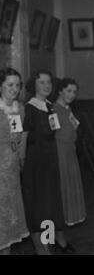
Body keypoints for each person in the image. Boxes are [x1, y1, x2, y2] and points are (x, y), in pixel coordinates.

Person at [22, 70, 74, 255]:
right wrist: (22, 162)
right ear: (33, 85)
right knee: (39, 205)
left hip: (51, 159)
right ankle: (41, 248)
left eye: (48, 82)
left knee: (51, 205)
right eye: (41, 82)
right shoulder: (29, 107)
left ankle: (49, 244)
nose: (46, 85)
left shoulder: (50, 106)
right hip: (36, 161)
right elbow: (24, 137)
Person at [0, 67, 29, 255]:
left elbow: (21, 138)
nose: (14, 89)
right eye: (10, 84)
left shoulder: (21, 109)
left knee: (9, 213)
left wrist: (21, 159)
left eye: (17, 85)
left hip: (12, 170)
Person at [54, 78, 86, 227]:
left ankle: (72, 217)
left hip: (70, 151)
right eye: (68, 91)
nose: (72, 94)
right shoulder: (53, 109)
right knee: (63, 184)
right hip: (60, 152)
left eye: (74, 92)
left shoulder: (68, 109)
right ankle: (62, 219)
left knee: (71, 184)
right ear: (60, 90)